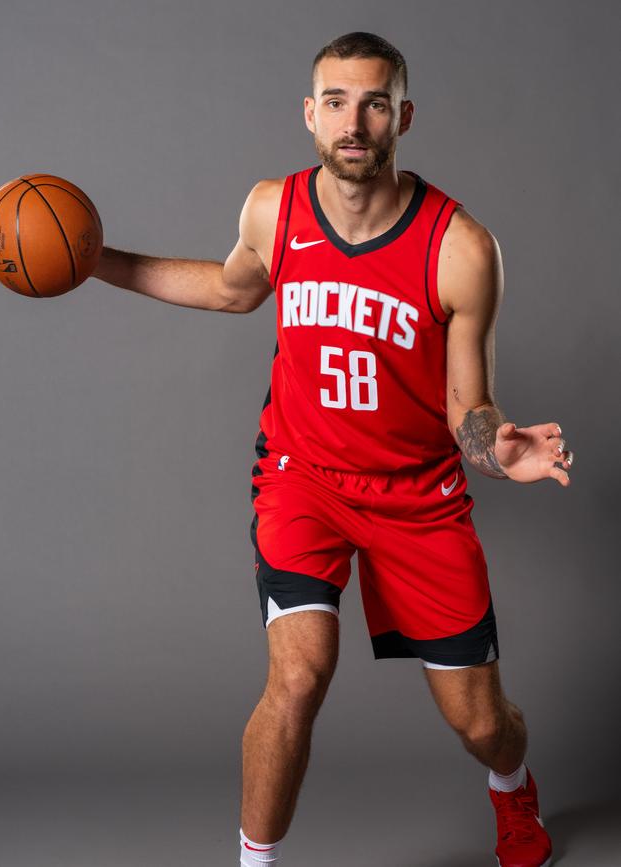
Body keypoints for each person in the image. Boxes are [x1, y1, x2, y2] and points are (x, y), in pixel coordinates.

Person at [94, 31, 573, 867]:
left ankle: (512, 786)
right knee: (299, 675)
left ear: (404, 117)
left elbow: (469, 407)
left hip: (418, 495)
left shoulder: (459, 248)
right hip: (302, 478)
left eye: (376, 102)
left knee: (481, 723)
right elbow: (229, 288)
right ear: (310, 115)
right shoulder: (272, 210)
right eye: (339, 102)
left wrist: (497, 447)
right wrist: (95, 260)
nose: (356, 122)